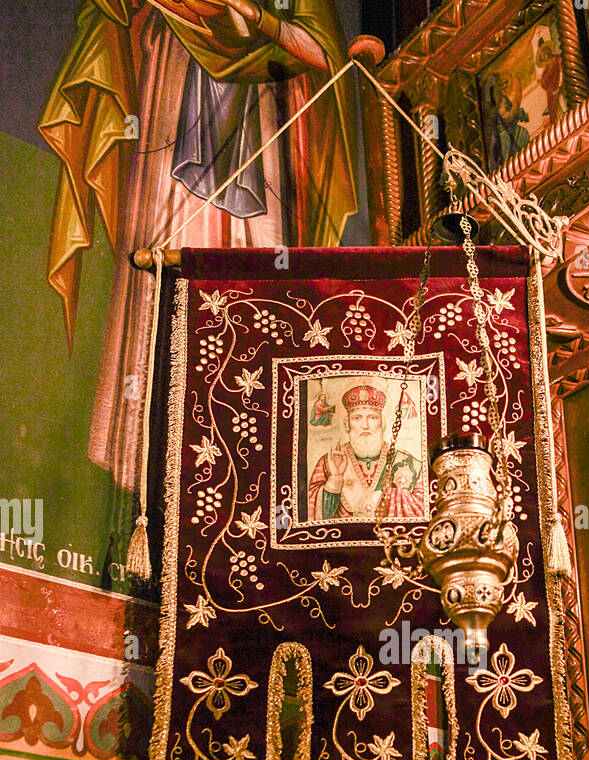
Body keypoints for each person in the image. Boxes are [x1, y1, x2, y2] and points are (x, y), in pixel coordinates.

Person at [40, 0, 357, 493]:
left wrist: (256, 19)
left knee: (252, 274)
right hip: (170, 95)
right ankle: (145, 457)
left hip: (262, 133)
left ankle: (254, 453)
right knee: (161, 255)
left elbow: (322, 52)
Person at [307, 383, 425, 521]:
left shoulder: (406, 462)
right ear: (347, 424)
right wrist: (335, 479)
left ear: (383, 423)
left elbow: (422, 508)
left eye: (373, 418)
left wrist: (392, 496)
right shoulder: (329, 461)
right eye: (357, 418)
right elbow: (314, 514)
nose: (365, 426)